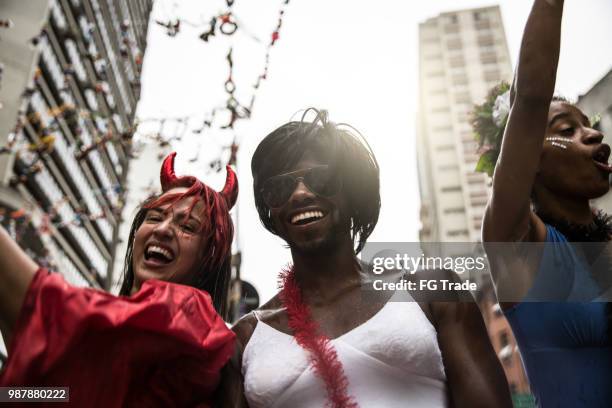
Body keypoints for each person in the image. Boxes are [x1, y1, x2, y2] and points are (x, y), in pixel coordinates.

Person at [221, 109, 512, 407]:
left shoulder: (431, 290)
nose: (300, 194)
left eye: (321, 178)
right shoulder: (246, 337)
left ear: (353, 193)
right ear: (270, 209)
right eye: (280, 187)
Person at [0, 152, 238, 407]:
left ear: (208, 257)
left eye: (188, 227)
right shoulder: (114, 336)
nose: (162, 229)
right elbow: (64, 392)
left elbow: (55, 317)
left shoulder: (193, 316)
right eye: (155, 217)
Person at [478, 0, 612, 406]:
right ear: (527, 163)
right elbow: (531, 97)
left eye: (591, 126)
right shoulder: (518, 244)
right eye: (567, 129)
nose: (592, 136)